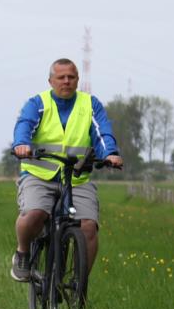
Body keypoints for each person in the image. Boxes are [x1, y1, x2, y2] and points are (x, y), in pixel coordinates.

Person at [10, 58, 122, 282]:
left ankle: (78, 282)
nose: (66, 81)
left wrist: (109, 152)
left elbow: (102, 133)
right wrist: (21, 144)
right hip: (39, 175)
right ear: (51, 81)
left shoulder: (90, 104)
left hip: (76, 178)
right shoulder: (38, 103)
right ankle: (22, 253)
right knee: (35, 213)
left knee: (89, 227)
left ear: (78, 80)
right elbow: (25, 124)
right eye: (61, 77)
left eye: (71, 77)